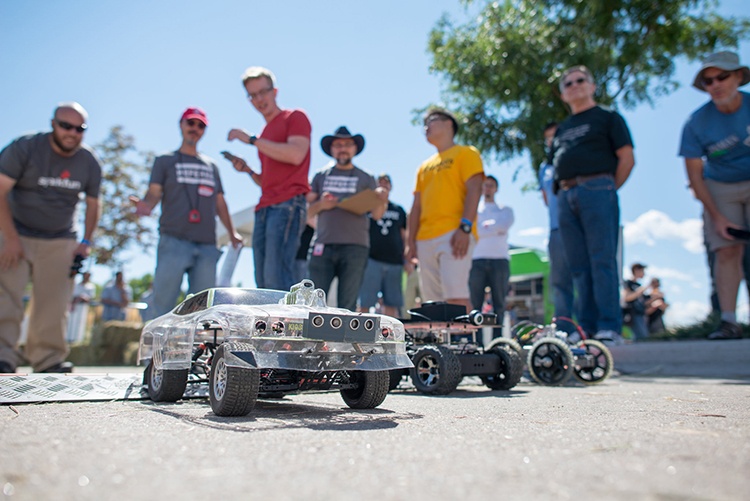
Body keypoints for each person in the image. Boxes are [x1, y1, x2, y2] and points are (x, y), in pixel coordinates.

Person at [0, 102, 102, 373]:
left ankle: (47, 360)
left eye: (79, 128)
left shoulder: (89, 161)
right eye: (65, 126)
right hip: (16, 232)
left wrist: (86, 242)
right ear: (53, 124)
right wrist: (9, 238)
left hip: (60, 238)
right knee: (6, 296)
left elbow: (93, 204)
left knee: (54, 303)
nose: (72, 133)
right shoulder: (24, 147)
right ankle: (3, 357)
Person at [551, 65, 635, 344]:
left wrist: (605, 188)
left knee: (602, 260)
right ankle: (585, 328)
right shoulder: (563, 128)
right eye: (568, 84)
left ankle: (609, 326)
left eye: (580, 80)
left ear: (592, 85)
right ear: (563, 95)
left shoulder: (608, 117)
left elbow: (626, 157)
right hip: (566, 195)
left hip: (598, 188)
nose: (574, 85)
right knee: (578, 265)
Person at [131, 107, 242, 317]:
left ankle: (194, 349)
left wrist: (232, 232)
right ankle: (156, 349)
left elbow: (220, 202)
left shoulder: (212, 166)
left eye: (200, 125)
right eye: (191, 123)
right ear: (181, 125)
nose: (195, 129)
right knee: (163, 303)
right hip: (174, 240)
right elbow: (154, 193)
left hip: (206, 244)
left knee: (202, 308)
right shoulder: (164, 161)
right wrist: (145, 206)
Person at [680, 51, 750, 340]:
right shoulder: (696, 123)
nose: (716, 84)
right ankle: (729, 320)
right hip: (719, 187)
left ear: (738, 77)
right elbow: (695, 177)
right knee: (726, 250)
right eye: (709, 81)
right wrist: (717, 216)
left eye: (722, 77)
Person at [227, 66, 311, 290]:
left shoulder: (294, 117)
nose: (259, 99)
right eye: (253, 95)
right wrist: (249, 171)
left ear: (275, 91)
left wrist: (252, 140)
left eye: (263, 92)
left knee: (277, 278)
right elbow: (267, 181)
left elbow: (295, 154)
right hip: (265, 207)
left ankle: (288, 325)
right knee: (263, 282)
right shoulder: (264, 135)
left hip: (288, 204)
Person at [405, 108, 484, 313]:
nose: (426, 128)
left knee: (456, 294)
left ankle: (466, 344)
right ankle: (441, 344)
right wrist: (410, 242)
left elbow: (475, 189)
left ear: (449, 123)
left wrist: (465, 227)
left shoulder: (466, 153)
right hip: (424, 239)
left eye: (431, 121)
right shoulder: (423, 167)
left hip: (454, 232)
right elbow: (416, 206)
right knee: (432, 301)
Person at [306, 126, 387, 311]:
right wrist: (321, 205)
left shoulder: (366, 177)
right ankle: (314, 341)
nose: (343, 148)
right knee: (313, 305)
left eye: (347, 144)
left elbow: (377, 214)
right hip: (322, 245)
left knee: (348, 306)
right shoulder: (320, 176)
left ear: (355, 148)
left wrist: (382, 199)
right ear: (332, 149)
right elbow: (305, 213)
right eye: (338, 144)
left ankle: (342, 341)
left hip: (355, 247)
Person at [538, 122, 576, 325]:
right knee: (560, 281)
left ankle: (590, 326)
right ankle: (564, 326)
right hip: (556, 228)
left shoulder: (575, 159)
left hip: (578, 228)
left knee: (583, 277)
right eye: (548, 138)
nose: (551, 141)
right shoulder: (544, 168)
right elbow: (546, 199)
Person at [358, 174, 408, 317]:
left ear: (391, 186)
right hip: (372, 259)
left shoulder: (399, 209)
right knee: (365, 302)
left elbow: (404, 235)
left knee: (392, 303)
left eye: (386, 183)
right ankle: (361, 336)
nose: (383, 185)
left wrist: (406, 256)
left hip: (394, 261)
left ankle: (391, 335)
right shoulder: (368, 207)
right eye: (380, 182)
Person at [468, 175, 513, 329]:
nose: (488, 188)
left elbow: (504, 225)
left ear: (496, 188)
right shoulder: (473, 211)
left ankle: (497, 342)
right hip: (477, 260)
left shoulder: (506, 210)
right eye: (485, 185)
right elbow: (474, 231)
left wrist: (484, 228)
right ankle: (476, 342)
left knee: (499, 303)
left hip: (499, 260)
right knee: (475, 305)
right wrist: (494, 227)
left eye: (491, 185)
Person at [622, 263, 650, 341]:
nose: (644, 273)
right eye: (642, 270)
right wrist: (639, 291)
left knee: (644, 337)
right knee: (640, 338)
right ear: (636, 270)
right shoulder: (628, 283)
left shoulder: (639, 285)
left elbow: (644, 302)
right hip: (632, 315)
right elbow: (627, 298)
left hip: (641, 315)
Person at [67, 271, 96, 344]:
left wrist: (83, 298)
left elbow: (90, 298)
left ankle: (77, 339)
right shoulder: (76, 285)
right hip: (74, 306)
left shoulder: (91, 287)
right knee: (71, 322)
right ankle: (69, 338)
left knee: (80, 323)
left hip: (83, 307)